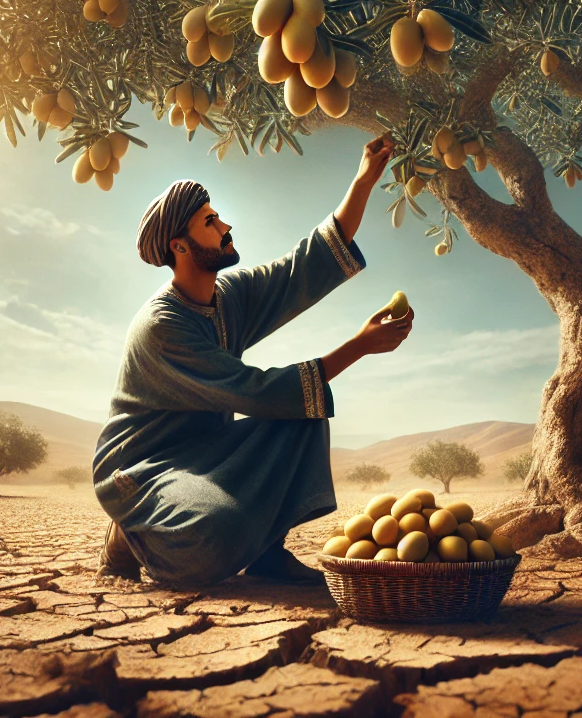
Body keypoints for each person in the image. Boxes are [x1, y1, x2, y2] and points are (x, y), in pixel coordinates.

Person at [93, 134, 415, 587]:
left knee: (306, 410)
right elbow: (254, 390)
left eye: (218, 217)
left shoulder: (230, 295)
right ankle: (129, 534)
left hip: (207, 453)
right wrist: (359, 345)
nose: (225, 227)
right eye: (210, 222)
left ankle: (266, 552)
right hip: (144, 469)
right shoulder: (163, 326)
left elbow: (302, 267)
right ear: (180, 247)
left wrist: (364, 179)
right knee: (216, 533)